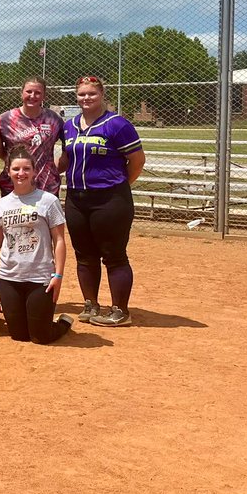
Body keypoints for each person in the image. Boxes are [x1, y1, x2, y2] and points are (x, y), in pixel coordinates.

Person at [59, 76, 146, 328]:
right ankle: (90, 303)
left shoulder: (117, 124)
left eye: (91, 94)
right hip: (76, 198)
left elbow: (137, 161)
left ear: (102, 95)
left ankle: (120, 310)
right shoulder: (70, 126)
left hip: (110, 198)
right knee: (84, 255)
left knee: (114, 255)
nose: (86, 98)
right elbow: (66, 159)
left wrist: (119, 186)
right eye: (82, 94)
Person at [0, 148, 74, 344]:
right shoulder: (2, 203)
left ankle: (63, 323)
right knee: (19, 336)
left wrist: (58, 275)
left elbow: (60, 240)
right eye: (16, 169)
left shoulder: (48, 200)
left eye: (26, 169)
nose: (21, 173)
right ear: (8, 171)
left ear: (34, 171)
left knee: (40, 337)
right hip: (9, 276)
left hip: (40, 277)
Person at [0, 77, 64, 195]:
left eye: (38, 93)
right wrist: (12, 162)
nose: (32, 96)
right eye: (29, 91)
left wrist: (53, 168)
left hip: (46, 185)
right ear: (21, 93)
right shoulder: (6, 119)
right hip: (14, 184)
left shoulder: (53, 119)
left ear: (44, 96)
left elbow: (68, 146)